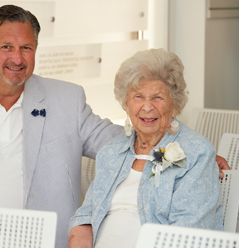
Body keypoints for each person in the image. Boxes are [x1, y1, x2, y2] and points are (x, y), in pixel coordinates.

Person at [0, 5, 229, 248]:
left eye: (26, 47)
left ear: (36, 50)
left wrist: (182, 148)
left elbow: (122, 142)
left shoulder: (65, 99)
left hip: (36, 237)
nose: (17, 58)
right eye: (6, 46)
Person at [68, 49, 223, 248]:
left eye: (157, 97)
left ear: (175, 105)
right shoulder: (111, 152)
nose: (147, 107)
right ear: (126, 104)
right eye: (138, 97)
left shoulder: (196, 153)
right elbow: (86, 216)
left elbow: (188, 234)